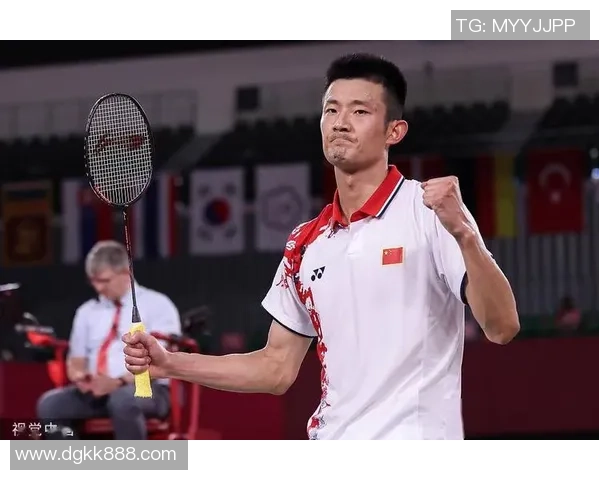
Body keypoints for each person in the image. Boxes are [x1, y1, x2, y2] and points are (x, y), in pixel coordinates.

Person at [123, 53, 520, 440]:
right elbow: (275, 368)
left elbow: (502, 327)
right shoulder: (304, 242)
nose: (341, 122)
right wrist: (170, 363)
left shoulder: (429, 212)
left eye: (360, 111)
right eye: (331, 110)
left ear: (394, 131)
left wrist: (465, 234)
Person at [37, 240, 181, 440]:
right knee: (51, 405)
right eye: (93, 281)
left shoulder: (158, 305)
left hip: (147, 388)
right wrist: (80, 377)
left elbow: (162, 362)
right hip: (98, 391)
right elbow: (76, 360)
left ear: (125, 273)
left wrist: (118, 382)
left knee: (123, 400)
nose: (98, 288)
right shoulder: (86, 311)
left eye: (104, 281)